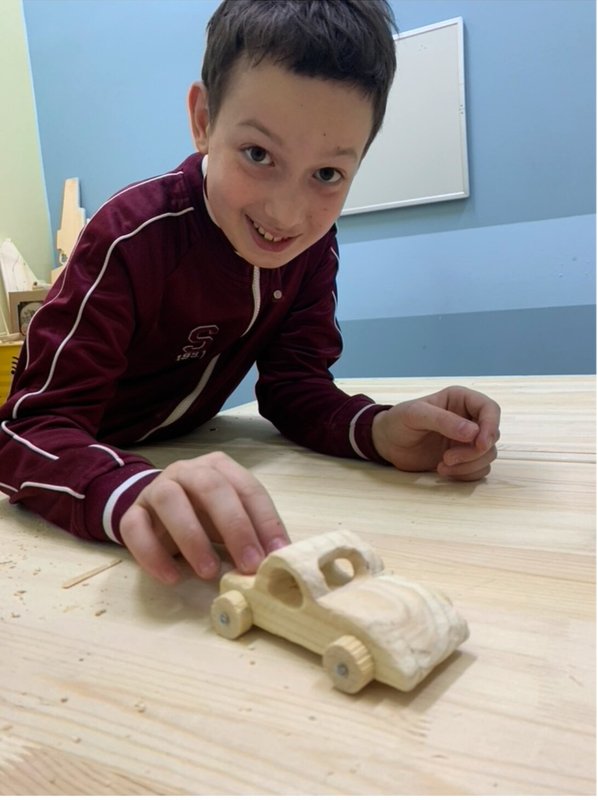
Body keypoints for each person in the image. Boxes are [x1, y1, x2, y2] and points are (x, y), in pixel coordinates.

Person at [0, 0, 500, 586]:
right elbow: (27, 432)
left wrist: (377, 430)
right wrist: (128, 490)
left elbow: (294, 389)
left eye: (328, 175)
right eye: (258, 154)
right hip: (81, 489)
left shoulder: (312, 247)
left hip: (179, 453)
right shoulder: (131, 236)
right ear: (203, 120)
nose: (286, 214)